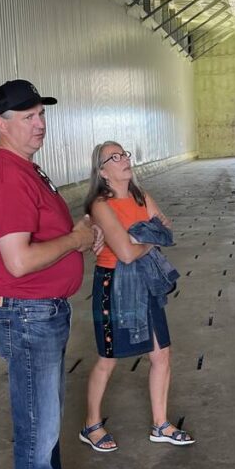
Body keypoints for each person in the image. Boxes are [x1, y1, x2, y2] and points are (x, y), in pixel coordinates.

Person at [0, 79, 104, 469]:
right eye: (28, 117)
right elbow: (18, 261)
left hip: (41, 310)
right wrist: (74, 242)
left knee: (46, 418)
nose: (40, 124)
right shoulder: (7, 175)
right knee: (36, 426)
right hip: (26, 312)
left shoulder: (26, 167)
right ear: (1, 124)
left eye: (41, 115)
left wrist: (77, 233)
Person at [79, 141, 194, 452]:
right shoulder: (100, 206)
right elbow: (127, 255)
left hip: (144, 283)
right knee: (108, 359)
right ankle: (91, 425)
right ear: (102, 172)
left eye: (124, 154)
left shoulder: (140, 196)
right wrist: (146, 239)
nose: (123, 160)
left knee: (161, 354)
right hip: (115, 285)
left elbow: (165, 231)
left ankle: (161, 424)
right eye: (113, 158)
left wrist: (138, 237)